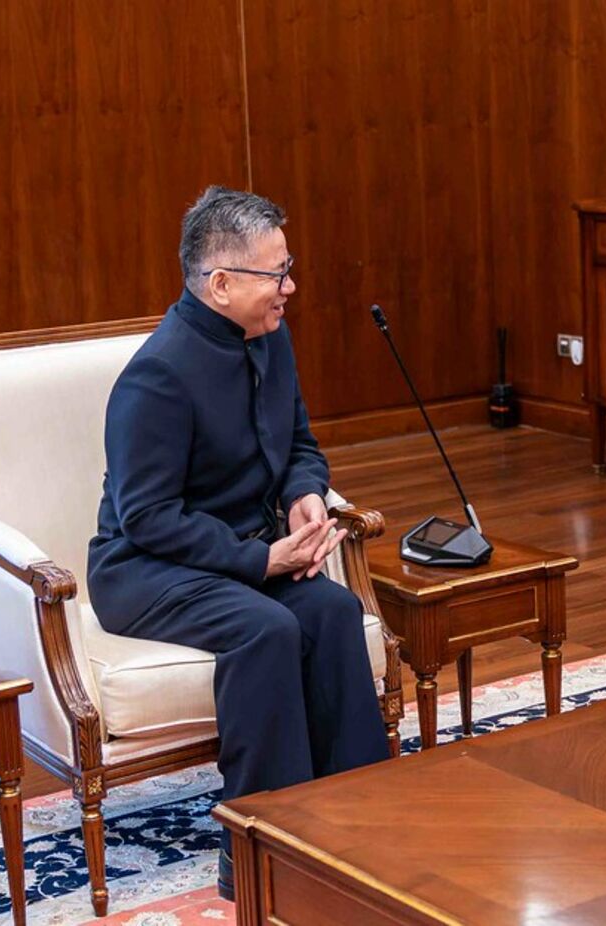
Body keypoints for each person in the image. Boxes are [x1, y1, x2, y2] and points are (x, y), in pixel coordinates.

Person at [87, 186, 387, 900]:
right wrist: (261, 559)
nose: (290, 287)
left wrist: (304, 492)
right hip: (147, 569)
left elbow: (300, 444)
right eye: (276, 273)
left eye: (289, 268)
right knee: (265, 628)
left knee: (334, 611)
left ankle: (359, 822)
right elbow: (146, 518)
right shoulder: (157, 375)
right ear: (220, 283)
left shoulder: (271, 338)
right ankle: (259, 849)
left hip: (242, 552)